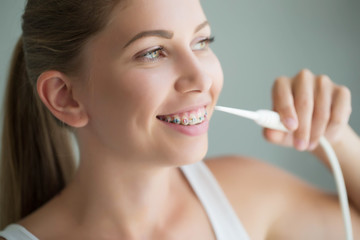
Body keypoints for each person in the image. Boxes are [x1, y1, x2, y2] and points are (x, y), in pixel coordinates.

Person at [0, 0, 359, 239]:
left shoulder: (248, 193)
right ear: (66, 97)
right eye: (153, 52)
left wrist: (337, 139)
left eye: (202, 41)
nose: (202, 78)